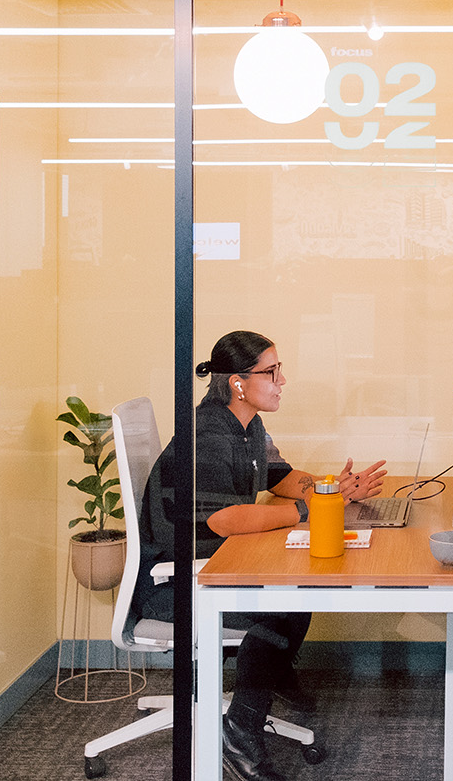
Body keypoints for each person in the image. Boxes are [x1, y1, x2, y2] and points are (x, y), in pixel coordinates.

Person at [132, 330, 387, 781]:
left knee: (297, 590)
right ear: (238, 382)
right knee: (280, 606)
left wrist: (333, 490)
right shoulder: (209, 434)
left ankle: (270, 677)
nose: (281, 380)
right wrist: (310, 509)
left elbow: (280, 476)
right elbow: (224, 520)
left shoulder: (246, 424)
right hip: (173, 583)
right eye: (271, 372)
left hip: (213, 562)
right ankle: (240, 733)